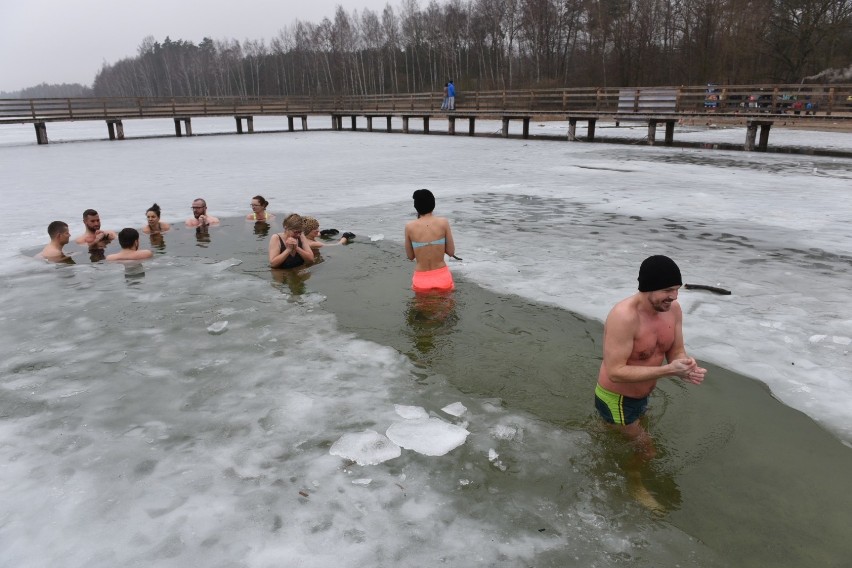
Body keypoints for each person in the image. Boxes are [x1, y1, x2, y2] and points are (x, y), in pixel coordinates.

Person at [595, 255, 706, 509]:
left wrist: (686, 366)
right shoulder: (624, 317)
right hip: (617, 398)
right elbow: (615, 372)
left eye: (676, 290)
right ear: (648, 288)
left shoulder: (672, 310)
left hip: (641, 394)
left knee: (624, 430)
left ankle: (602, 431)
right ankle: (634, 485)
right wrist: (669, 371)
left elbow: (676, 350)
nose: (674, 297)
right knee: (648, 450)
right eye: (668, 290)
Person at [404, 189, 456, 293]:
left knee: (423, 309)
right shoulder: (443, 223)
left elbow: (410, 256)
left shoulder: (409, 226)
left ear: (416, 206)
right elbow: (451, 252)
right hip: (442, 277)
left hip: (421, 279)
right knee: (446, 307)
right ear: (433, 204)